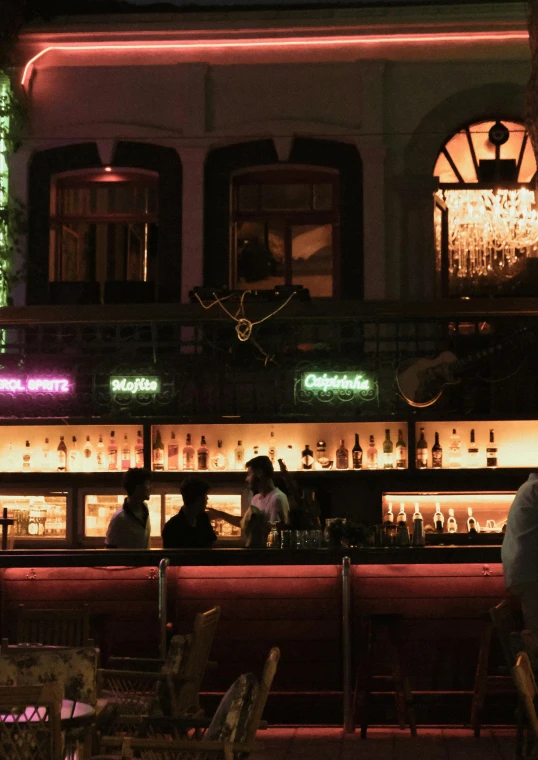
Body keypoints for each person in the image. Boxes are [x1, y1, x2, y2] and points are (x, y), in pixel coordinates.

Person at [208, 455, 290, 544]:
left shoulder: (277, 498)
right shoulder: (256, 498)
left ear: (259, 473)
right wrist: (220, 514)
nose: (247, 479)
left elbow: (275, 533)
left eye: (249, 474)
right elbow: (244, 522)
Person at [502, 472, 538, 630]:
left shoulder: (528, 487)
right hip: (531, 574)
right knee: (535, 633)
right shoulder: (535, 488)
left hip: (522, 573)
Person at [162, 476, 217, 549]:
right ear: (196, 498)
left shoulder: (204, 518)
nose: (207, 499)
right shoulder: (171, 528)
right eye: (204, 496)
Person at [105, 467, 151, 549]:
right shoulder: (119, 519)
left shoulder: (145, 509)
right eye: (147, 484)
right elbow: (110, 550)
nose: (150, 488)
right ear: (137, 488)